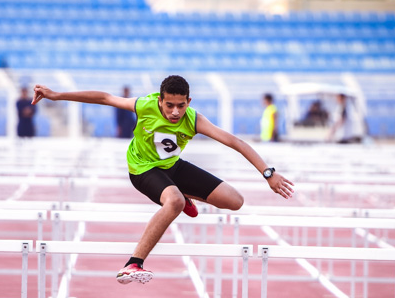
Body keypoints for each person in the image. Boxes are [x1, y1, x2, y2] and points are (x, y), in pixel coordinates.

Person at [32, 75, 294, 284]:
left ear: (188, 101)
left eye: (181, 105)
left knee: (235, 200)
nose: (175, 112)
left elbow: (234, 142)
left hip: (172, 168)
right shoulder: (145, 105)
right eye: (169, 105)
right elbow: (104, 97)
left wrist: (267, 173)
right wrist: (56, 95)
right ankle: (133, 263)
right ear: (160, 99)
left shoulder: (193, 120)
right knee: (175, 202)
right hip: (143, 169)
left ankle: (184, 196)